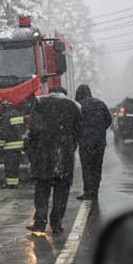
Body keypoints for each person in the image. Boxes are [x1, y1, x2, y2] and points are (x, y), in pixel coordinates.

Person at [25, 85, 82, 234]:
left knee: (42, 190)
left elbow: (33, 129)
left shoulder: (39, 102)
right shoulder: (73, 105)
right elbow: (78, 130)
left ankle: (39, 223)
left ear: (50, 92)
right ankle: (56, 224)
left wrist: (32, 150)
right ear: (64, 93)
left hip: (43, 154)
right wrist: (70, 146)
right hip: (64, 155)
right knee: (61, 191)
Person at [74, 83, 112, 200]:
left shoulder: (79, 106)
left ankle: (87, 191)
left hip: (85, 142)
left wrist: (79, 134)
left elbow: (74, 123)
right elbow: (109, 120)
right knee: (96, 166)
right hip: (99, 142)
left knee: (87, 167)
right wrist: (100, 130)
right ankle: (95, 190)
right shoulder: (100, 104)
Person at [0, 99, 27, 189]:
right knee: (16, 166)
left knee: (9, 166)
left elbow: (4, 133)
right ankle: (15, 183)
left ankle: (10, 184)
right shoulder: (19, 114)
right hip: (19, 145)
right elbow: (23, 129)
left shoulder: (6, 116)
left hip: (9, 146)